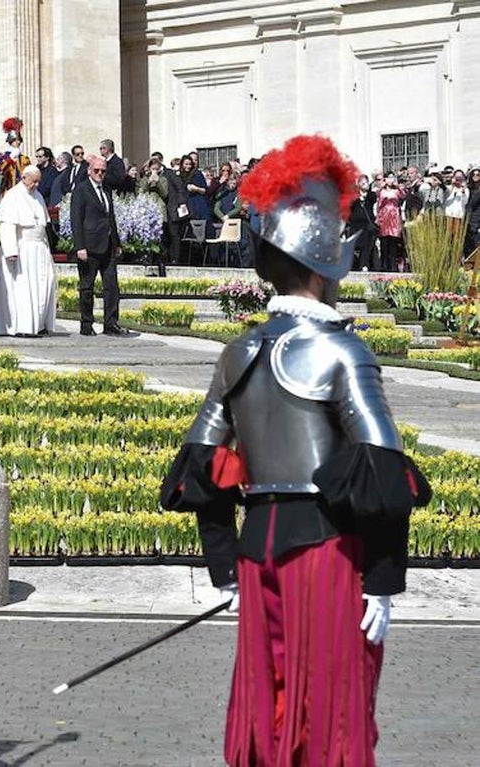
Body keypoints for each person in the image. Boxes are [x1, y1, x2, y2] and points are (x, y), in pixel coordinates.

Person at [161, 134, 431, 767]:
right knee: (331, 717)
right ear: (321, 263)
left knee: (269, 710)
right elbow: (385, 478)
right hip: (328, 554)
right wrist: (385, 580)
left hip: (258, 555)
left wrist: (225, 566)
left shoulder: (239, 351)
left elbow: (205, 471)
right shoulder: (343, 350)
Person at [0, 165, 57, 337]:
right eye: (33, 181)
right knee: (22, 288)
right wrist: (11, 250)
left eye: (38, 182)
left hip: (39, 249)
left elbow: (42, 224)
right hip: (22, 249)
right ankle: (23, 326)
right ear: (24, 178)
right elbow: (8, 225)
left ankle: (39, 323)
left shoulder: (38, 196)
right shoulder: (13, 196)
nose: (36, 185)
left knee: (43, 286)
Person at [72, 154, 133, 337]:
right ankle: (86, 324)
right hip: (89, 246)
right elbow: (76, 219)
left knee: (112, 287)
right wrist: (79, 246)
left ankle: (111, 323)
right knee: (87, 287)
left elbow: (110, 218)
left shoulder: (106, 190)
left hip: (107, 246)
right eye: (97, 170)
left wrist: (117, 242)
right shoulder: (81, 190)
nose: (100, 174)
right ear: (89, 171)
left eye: (103, 171)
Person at [0, 117, 31, 200]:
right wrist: (10, 158)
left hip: (22, 192)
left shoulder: (24, 158)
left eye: (19, 140)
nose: (18, 142)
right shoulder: (2, 156)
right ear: (10, 141)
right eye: (16, 140)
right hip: (8, 191)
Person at [374, 173, 405, 271]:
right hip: (384, 216)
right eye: (388, 178)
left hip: (394, 216)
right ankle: (383, 265)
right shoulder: (381, 191)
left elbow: (403, 196)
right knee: (384, 242)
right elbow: (378, 199)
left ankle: (393, 266)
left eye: (392, 178)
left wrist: (397, 186)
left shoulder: (396, 191)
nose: (390, 180)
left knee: (393, 242)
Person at [348, 175, 379, 271]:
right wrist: (358, 196)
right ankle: (352, 265)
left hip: (367, 225)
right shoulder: (354, 196)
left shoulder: (371, 195)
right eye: (363, 183)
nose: (366, 185)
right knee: (354, 245)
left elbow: (372, 199)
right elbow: (350, 206)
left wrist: (364, 196)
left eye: (366, 183)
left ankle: (364, 265)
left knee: (367, 245)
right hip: (356, 225)